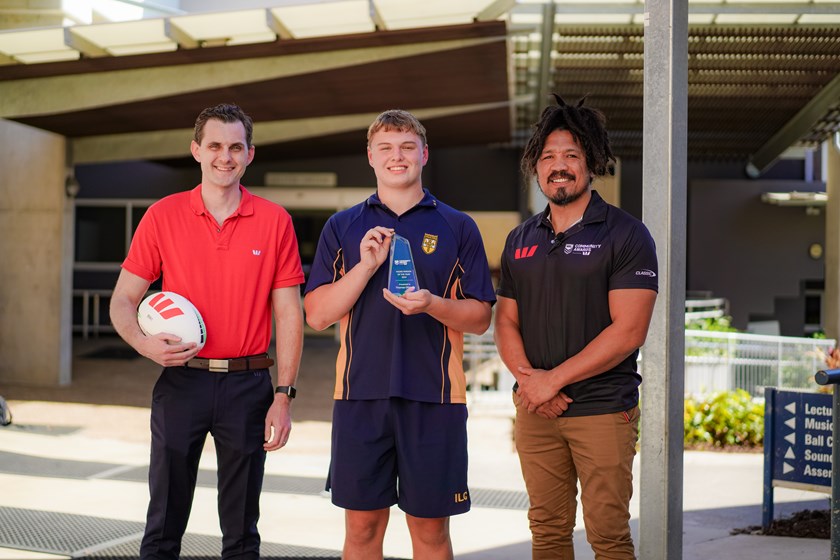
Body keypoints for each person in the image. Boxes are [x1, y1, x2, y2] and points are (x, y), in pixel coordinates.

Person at [109, 103, 305, 560]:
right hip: (182, 381)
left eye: (236, 147)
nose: (225, 156)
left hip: (248, 386)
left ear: (249, 154)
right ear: (196, 150)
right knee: (163, 523)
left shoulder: (275, 221)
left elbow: (288, 314)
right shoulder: (163, 215)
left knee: (242, 531)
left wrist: (283, 395)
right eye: (215, 146)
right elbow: (123, 300)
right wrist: (143, 343)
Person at [303, 109, 496, 560]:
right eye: (386, 147)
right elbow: (317, 315)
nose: (397, 156)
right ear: (370, 156)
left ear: (424, 155)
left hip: (436, 398)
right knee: (362, 530)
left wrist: (432, 304)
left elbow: (480, 317)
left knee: (430, 533)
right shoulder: (343, 226)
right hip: (359, 396)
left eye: (408, 147)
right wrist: (365, 267)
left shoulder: (458, 226)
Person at [494, 95, 659, 559]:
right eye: (548, 157)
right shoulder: (520, 238)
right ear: (536, 167)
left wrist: (552, 381)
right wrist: (531, 382)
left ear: (591, 162)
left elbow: (629, 331)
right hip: (536, 410)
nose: (559, 166)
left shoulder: (626, 234)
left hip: (602, 409)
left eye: (571, 155)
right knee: (547, 531)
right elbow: (505, 320)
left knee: (608, 536)